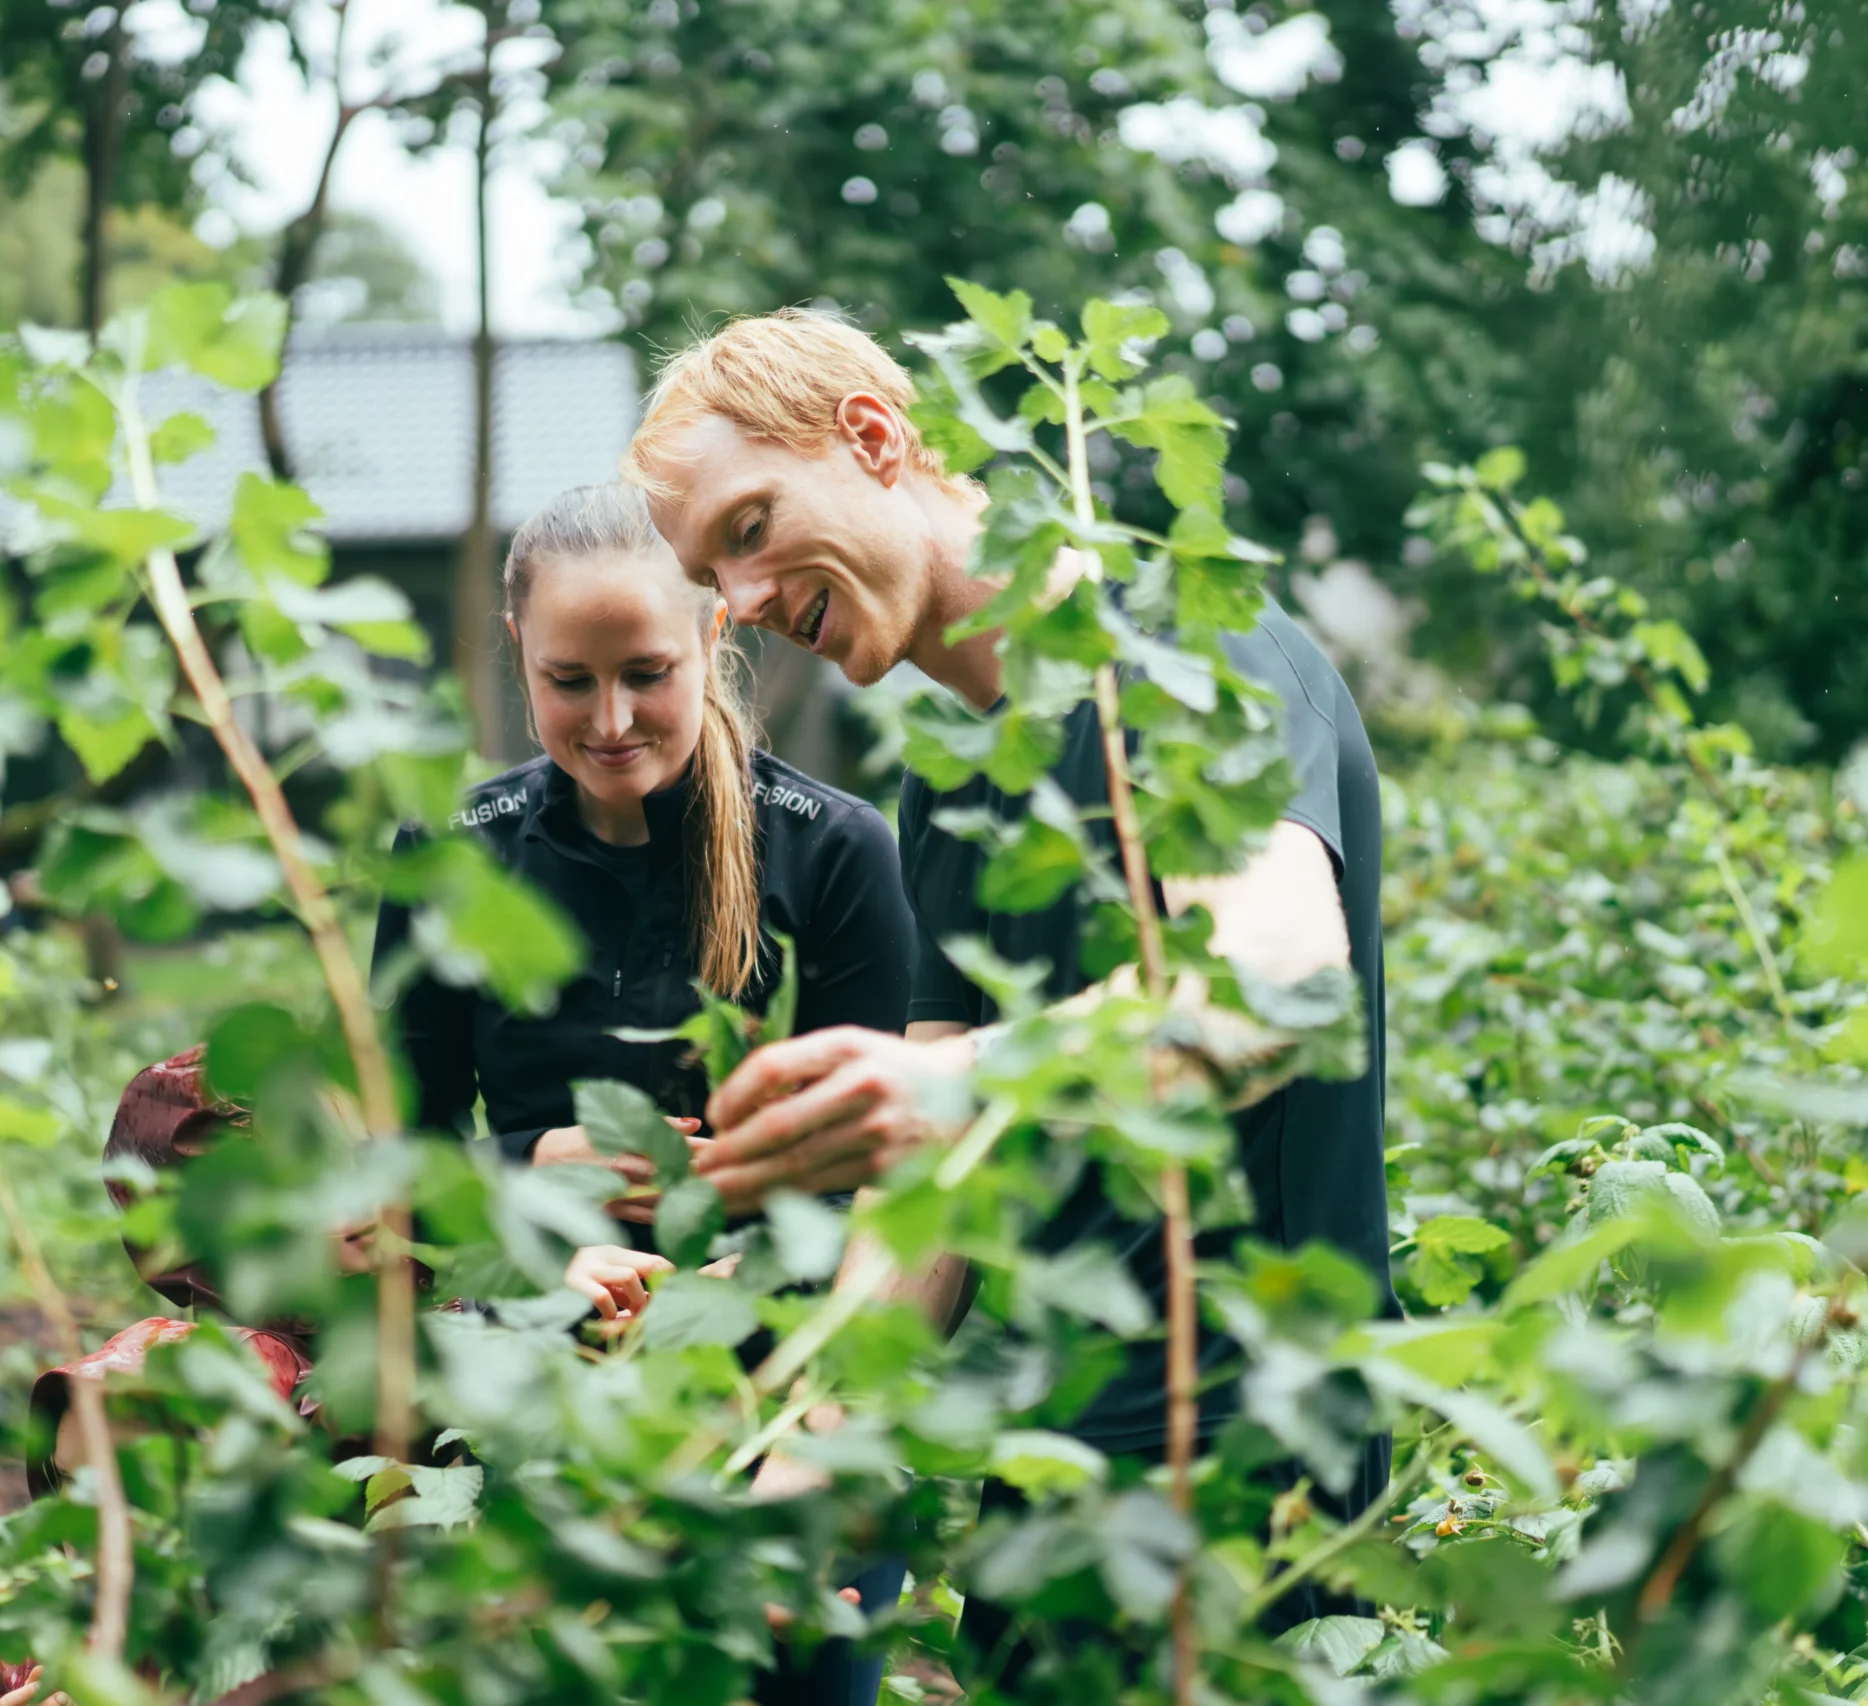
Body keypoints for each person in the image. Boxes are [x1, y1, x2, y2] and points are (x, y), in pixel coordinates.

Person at [622, 308, 1399, 1689]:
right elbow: (942, 1210)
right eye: (708, 575)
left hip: (1258, 1474)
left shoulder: (1176, 641)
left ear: (872, 436)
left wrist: (950, 1080)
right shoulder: (954, 777)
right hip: (1059, 1476)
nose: (735, 606)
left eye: (747, 528)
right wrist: (798, 1462)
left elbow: (1283, 984)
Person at [371, 481, 917, 1704]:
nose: (611, 718)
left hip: (786, 1393)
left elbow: (890, 1179)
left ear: (715, 634)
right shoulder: (452, 853)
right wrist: (524, 1188)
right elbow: (396, 1158)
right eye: (571, 679)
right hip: (529, 1385)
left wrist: (746, 1284)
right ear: (519, 650)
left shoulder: (835, 853)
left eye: (648, 672)